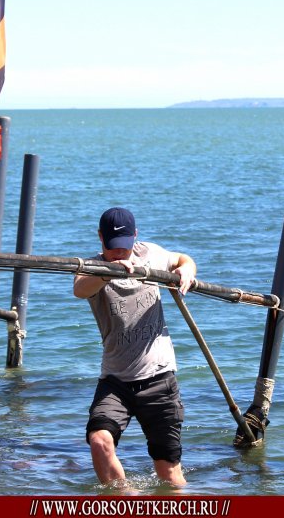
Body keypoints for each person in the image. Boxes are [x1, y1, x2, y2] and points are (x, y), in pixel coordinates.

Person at [73, 207, 197, 488]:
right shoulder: (92, 266)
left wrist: (186, 270)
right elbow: (80, 289)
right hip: (115, 381)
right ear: (100, 238)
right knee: (99, 440)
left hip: (159, 378)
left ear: (135, 237)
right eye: (112, 247)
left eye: (125, 247)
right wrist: (108, 272)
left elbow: (182, 258)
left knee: (169, 474)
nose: (119, 253)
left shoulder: (149, 253)